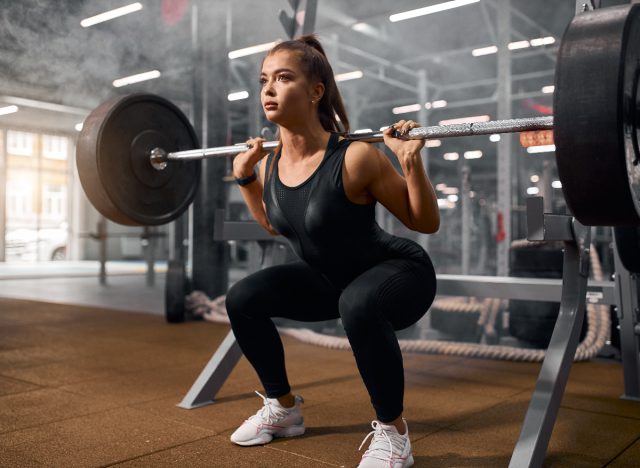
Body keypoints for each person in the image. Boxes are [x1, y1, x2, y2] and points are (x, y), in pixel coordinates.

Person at [225, 34, 439, 468]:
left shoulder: (356, 156)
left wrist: (410, 162)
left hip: (400, 273)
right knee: (243, 298)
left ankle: (394, 435)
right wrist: (246, 178)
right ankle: (283, 409)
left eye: (283, 78)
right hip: (332, 280)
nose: (268, 88)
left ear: (315, 91)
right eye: (264, 79)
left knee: (356, 302)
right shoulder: (269, 163)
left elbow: (424, 222)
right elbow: (274, 224)